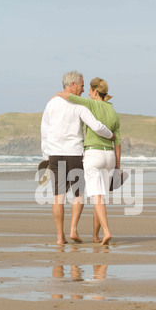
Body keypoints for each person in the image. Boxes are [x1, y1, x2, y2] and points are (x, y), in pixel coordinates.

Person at [41, 71, 115, 245]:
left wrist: (46, 153)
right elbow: (96, 126)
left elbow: (44, 129)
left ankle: (60, 237)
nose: (83, 90)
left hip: (55, 154)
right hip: (74, 154)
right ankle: (73, 229)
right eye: (81, 85)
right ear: (73, 85)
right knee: (78, 195)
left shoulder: (51, 103)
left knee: (58, 197)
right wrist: (111, 135)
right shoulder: (80, 106)